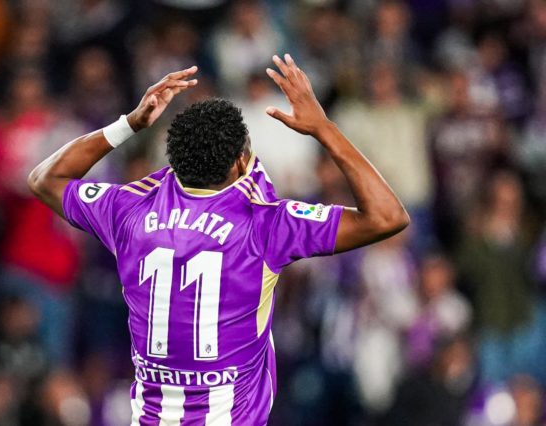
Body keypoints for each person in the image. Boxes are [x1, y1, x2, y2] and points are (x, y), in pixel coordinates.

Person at [28, 55, 409, 424]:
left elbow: (46, 179)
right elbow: (387, 217)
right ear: (239, 163)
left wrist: (129, 123)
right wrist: (323, 128)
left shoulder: (129, 210)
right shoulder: (265, 225)